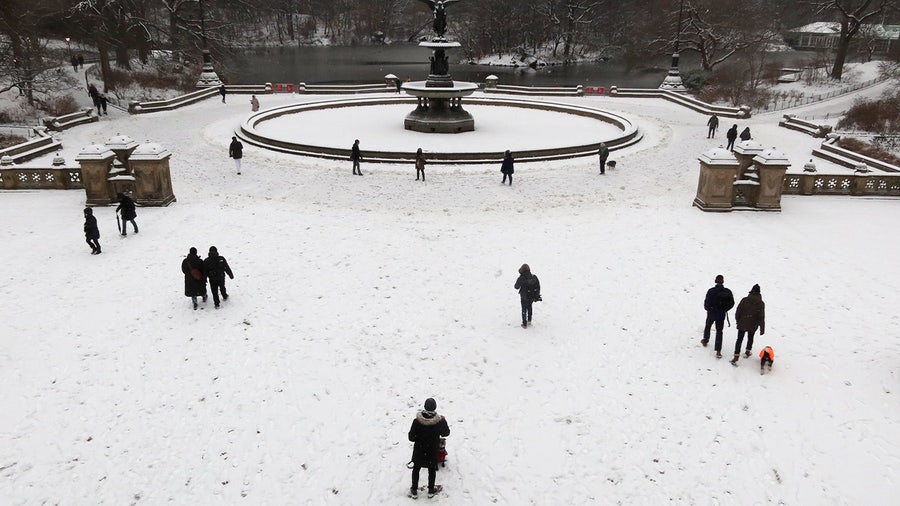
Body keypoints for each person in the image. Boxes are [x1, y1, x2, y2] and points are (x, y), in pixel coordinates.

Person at [408, 397, 450, 499]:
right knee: (431, 470)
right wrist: (443, 421)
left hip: (419, 450)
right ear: (435, 408)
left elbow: (411, 438)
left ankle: (414, 490)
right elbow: (446, 433)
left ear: (425, 407)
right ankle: (431, 490)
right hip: (432, 451)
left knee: (416, 469)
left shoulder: (417, 421)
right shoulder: (438, 422)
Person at [730, 284, 765, 365]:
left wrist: (738, 320)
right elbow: (761, 317)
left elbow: (738, 311)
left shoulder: (744, 300)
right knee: (750, 337)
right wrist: (762, 328)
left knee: (739, 339)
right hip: (753, 324)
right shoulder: (761, 303)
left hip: (742, 322)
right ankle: (747, 351)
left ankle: (736, 356)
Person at [702, 274, 734, 358]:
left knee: (708, 326)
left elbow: (706, 303)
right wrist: (725, 309)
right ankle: (718, 350)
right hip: (721, 314)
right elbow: (732, 303)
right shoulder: (727, 292)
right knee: (719, 331)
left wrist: (708, 309)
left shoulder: (711, 291)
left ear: (715, 281)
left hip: (711, 313)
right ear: (723, 282)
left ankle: (705, 340)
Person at [514, 263, 541, 328]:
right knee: (529, 307)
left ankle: (524, 324)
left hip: (524, 296)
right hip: (532, 296)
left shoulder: (521, 278)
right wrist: (536, 295)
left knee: (524, 309)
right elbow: (538, 286)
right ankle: (529, 320)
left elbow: (516, 287)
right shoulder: (534, 277)